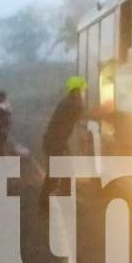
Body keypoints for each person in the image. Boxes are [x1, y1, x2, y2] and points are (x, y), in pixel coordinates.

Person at [39, 76, 88, 207]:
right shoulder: (73, 103)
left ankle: (58, 199)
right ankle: (46, 202)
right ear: (77, 90)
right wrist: (105, 112)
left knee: (63, 172)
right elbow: (84, 114)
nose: (83, 93)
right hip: (55, 143)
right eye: (82, 90)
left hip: (54, 141)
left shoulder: (67, 101)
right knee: (57, 173)